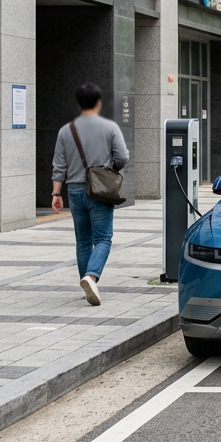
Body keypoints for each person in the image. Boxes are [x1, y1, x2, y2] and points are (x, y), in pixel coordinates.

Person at [51, 83, 130, 307]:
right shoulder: (110, 127)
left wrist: (56, 193)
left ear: (78, 103)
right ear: (98, 102)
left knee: (83, 240)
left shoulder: (66, 130)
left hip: (75, 190)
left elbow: (59, 165)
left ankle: (86, 283)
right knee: (103, 238)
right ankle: (91, 277)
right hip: (100, 190)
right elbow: (123, 157)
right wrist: (110, 168)